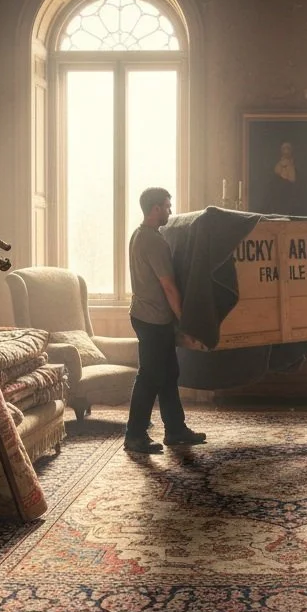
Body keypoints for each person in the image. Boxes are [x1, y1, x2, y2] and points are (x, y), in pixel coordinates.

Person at [124, 187, 206, 454]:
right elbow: (169, 287)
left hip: (144, 314)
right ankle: (134, 436)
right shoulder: (154, 242)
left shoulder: (139, 234)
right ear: (156, 208)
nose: (170, 211)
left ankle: (175, 430)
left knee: (169, 373)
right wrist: (184, 320)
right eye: (168, 206)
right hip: (153, 319)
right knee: (150, 376)